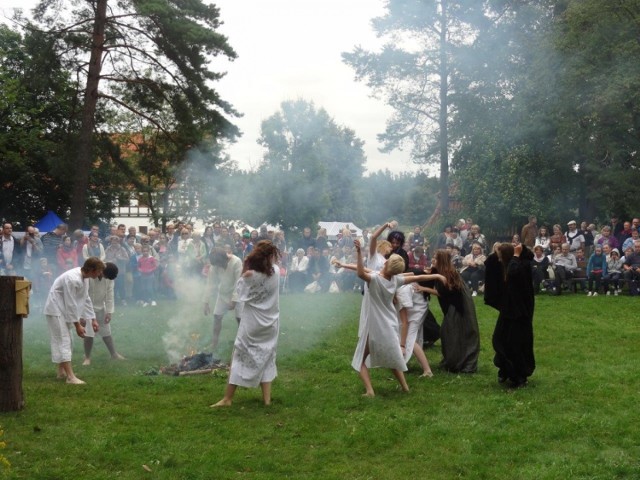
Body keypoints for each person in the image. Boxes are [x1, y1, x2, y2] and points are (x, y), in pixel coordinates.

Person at [350, 240, 444, 396]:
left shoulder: (375, 280)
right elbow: (416, 277)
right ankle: (405, 388)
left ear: (386, 265)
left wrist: (359, 252)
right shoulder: (396, 280)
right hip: (390, 325)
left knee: (360, 359)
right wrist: (437, 275)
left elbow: (360, 273)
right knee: (393, 359)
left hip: (374, 325)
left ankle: (369, 391)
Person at [212, 240, 281, 407]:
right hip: (271, 322)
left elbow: (240, 294)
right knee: (267, 357)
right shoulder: (277, 271)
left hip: (252, 323)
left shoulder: (250, 276)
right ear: (271, 257)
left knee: (239, 357)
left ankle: (228, 398)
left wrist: (244, 268)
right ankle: (266, 400)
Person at [43, 257, 105, 384]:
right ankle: (70, 377)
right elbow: (71, 302)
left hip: (63, 309)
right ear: (92, 270)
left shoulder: (85, 277)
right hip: (55, 309)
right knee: (64, 340)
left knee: (67, 340)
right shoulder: (72, 278)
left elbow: (85, 298)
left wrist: (93, 319)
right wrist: (77, 325)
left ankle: (61, 372)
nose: (100, 274)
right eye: (98, 271)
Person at [484, 243, 535, 388]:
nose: (499, 260)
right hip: (508, 312)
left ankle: (520, 376)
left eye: (501, 257)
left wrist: (517, 254)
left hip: (520, 314)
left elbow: (513, 273)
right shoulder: (508, 264)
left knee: (517, 345)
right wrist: (497, 251)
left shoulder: (521, 265)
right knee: (501, 340)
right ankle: (505, 370)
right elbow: (490, 264)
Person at [430, 249, 480, 373]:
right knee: (449, 334)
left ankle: (460, 363)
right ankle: (452, 361)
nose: (433, 260)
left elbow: (444, 293)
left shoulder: (448, 273)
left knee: (453, 333)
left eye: (435, 258)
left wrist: (423, 288)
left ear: (441, 261)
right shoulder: (440, 271)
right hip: (453, 306)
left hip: (457, 308)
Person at [83, 262, 126, 365]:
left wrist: (109, 312)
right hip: (88, 308)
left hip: (101, 308)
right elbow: (83, 295)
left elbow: (110, 295)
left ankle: (114, 354)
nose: (107, 278)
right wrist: (82, 315)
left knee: (106, 331)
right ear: (101, 271)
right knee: (89, 334)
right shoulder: (90, 276)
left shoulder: (109, 279)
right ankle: (87, 357)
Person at [204, 247, 243, 351]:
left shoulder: (236, 262)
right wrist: (206, 301)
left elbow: (238, 282)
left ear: (224, 258)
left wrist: (234, 300)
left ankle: (243, 343)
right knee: (217, 317)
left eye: (219, 263)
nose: (219, 266)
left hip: (239, 293)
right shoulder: (215, 265)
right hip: (223, 293)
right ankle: (214, 343)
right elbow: (210, 283)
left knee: (240, 319)